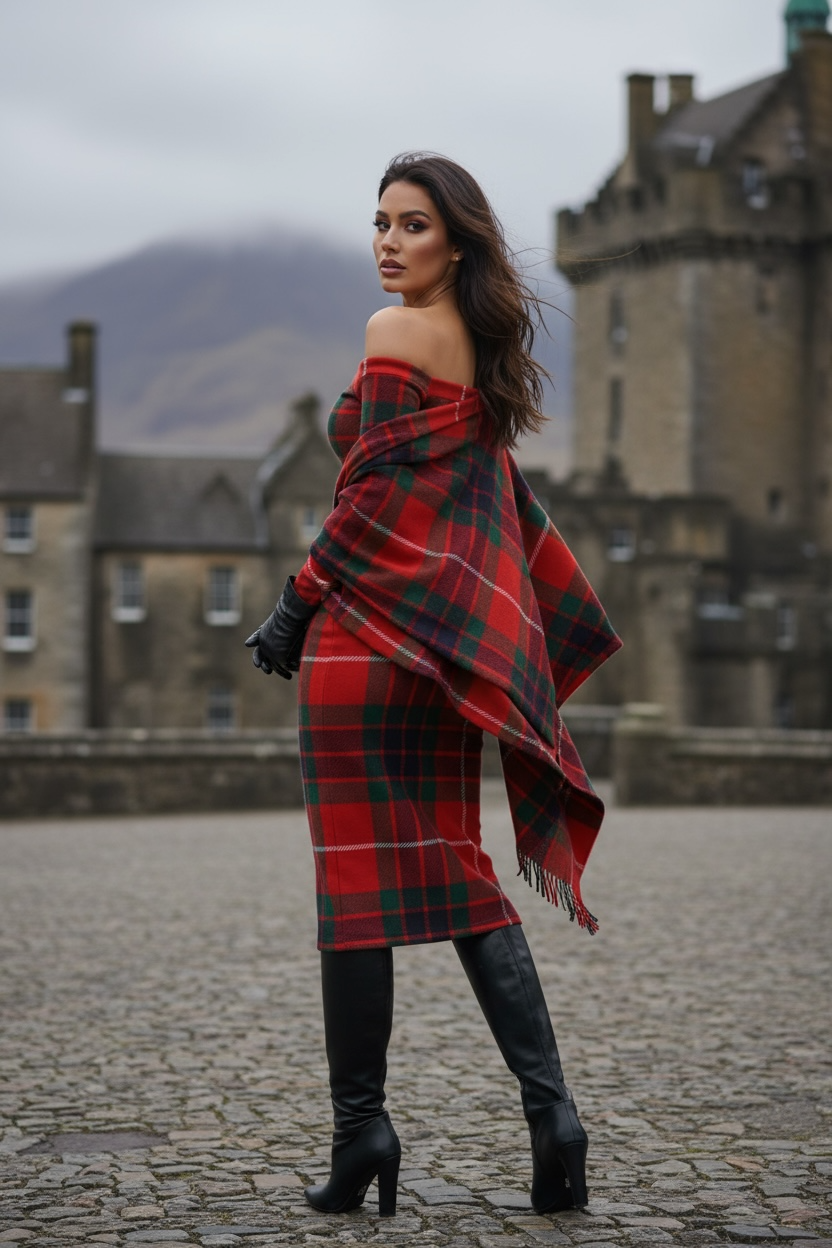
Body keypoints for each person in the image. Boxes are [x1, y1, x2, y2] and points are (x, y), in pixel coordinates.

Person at [245, 152, 621, 1219]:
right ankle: (552, 1114)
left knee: (355, 890)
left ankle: (362, 1132)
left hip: (365, 648)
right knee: (458, 867)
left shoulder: (393, 335)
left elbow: (365, 506)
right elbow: (465, 504)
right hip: (441, 657)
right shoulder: (479, 355)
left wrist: (294, 601)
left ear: (455, 242)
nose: (387, 242)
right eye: (378, 223)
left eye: (412, 225)